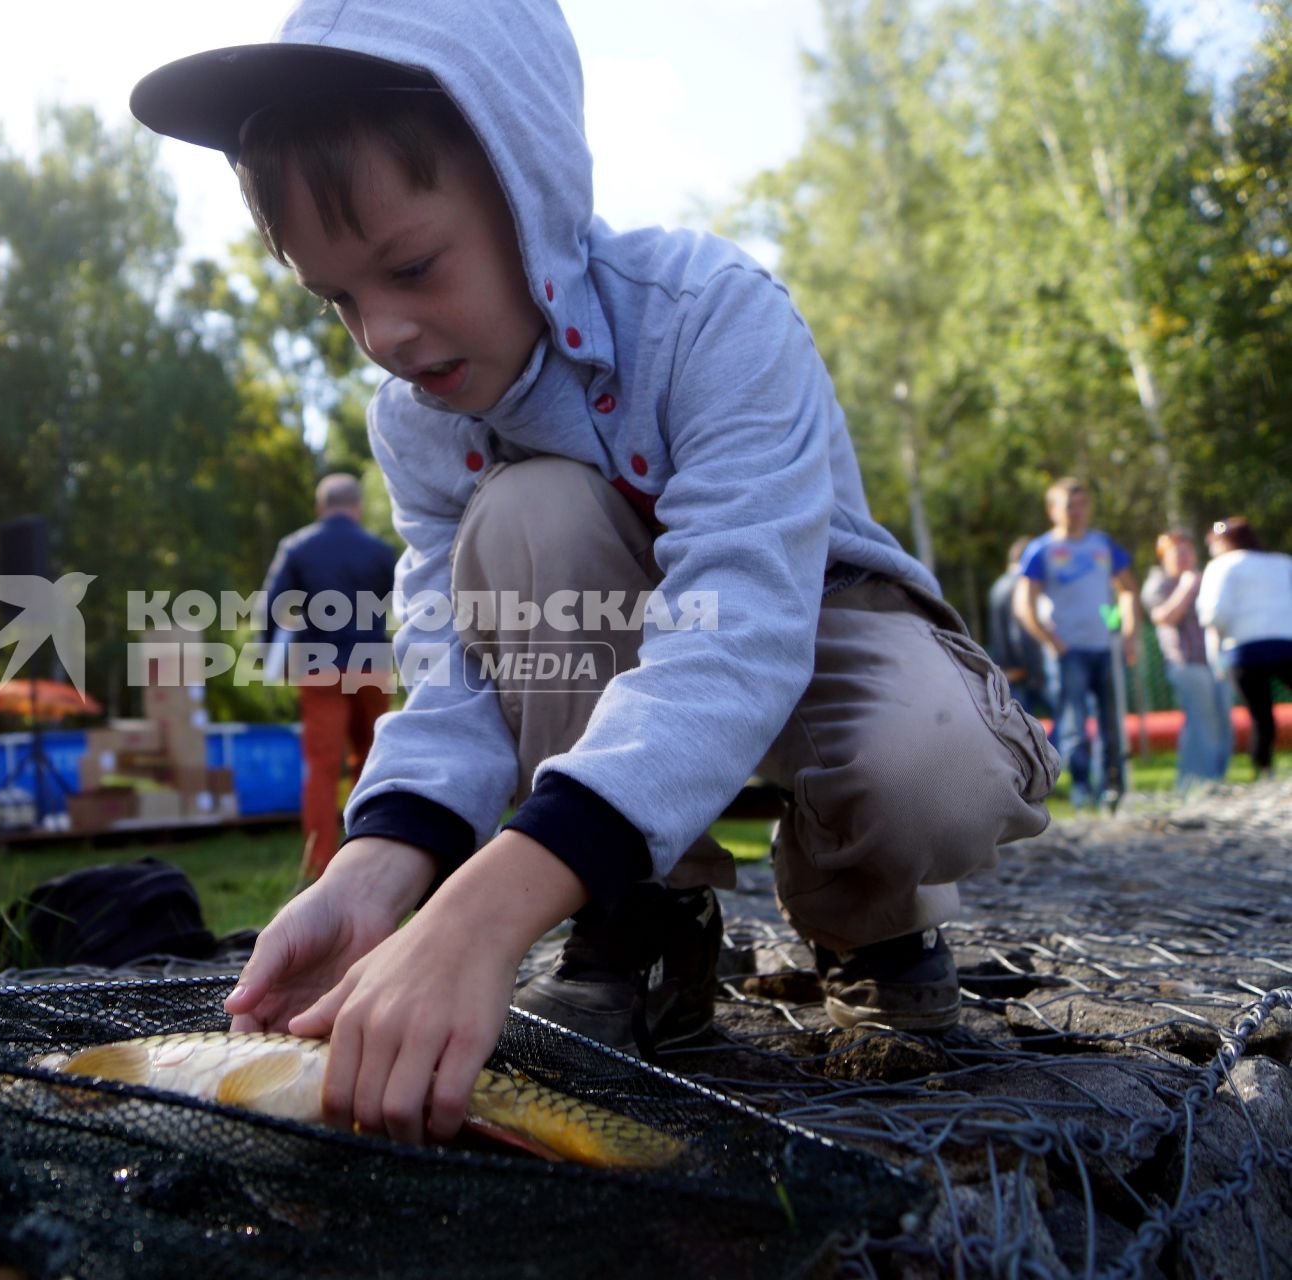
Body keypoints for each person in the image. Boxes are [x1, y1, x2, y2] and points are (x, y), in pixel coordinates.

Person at [131, 0, 1055, 1148]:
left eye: (412, 265)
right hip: (615, 689)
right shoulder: (416, 427)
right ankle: (638, 913)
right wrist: (375, 866)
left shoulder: (710, 315)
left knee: (927, 756)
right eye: (339, 298)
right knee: (528, 510)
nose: (383, 334)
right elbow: (454, 670)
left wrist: (480, 913)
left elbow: (741, 626)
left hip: (811, 629)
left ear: (531, 189)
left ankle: (872, 923)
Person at [256, 474, 401, 881]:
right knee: (372, 763)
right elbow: (408, 603)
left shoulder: (299, 547)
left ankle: (319, 866)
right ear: (355, 507)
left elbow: (270, 608)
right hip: (372, 665)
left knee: (321, 767)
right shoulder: (380, 550)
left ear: (320, 508)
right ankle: (374, 855)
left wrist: (271, 656)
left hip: (320, 667)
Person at [1014, 479, 1140, 812]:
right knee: (1074, 725)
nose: (1077, 511)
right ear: (1053, 510)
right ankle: (1082, 791)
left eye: (1082, 504)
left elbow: (1127, 589)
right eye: (1069, 505)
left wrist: (1128, 631)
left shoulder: (1102, 545)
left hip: (1105, 648)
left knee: (1112, 723)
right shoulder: (1042, 550)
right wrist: (1050, 639)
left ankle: (1114, 790)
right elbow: (1025, 601)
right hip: (1070, 652)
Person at [1198, 518, 1292, 779]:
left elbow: (1213, 613)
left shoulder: (1221, 566)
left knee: (1262, 716)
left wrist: (1215, 652)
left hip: (1244, 650)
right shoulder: (1282, 563)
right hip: (1285, 644)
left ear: (1224, 541)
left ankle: (1265, 772)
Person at [1141, 530, 1231, 791]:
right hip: (1185, 663)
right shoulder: (1159, 583)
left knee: (1222, 722)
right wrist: (1186, 587)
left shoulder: (1209, 579)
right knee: (1201, 723)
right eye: (1175, 551)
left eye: (1187, 550)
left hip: (1216, 662)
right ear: (1163, 557)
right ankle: (1194, 784)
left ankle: (1217, 779)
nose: (1183, 556)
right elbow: (1164, 617)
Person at [988, 538, 1051, 719]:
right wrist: (1033, 669)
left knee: (1019, 728)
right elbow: (1018, 630)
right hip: (1024, 670)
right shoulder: (1021, 586)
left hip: (1006, 669)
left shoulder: (998, 586)